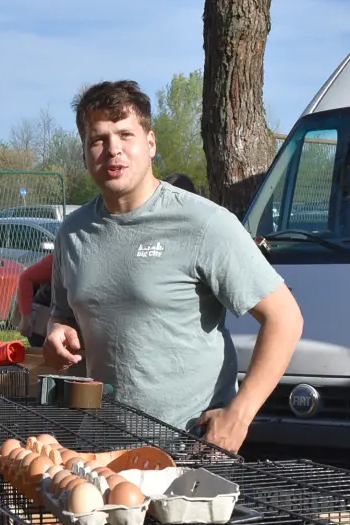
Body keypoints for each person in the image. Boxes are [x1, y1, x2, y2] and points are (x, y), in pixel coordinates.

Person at [43, 81, 304, 453]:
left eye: (125, 134)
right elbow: (63, 314)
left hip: (189, 449)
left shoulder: (204, 224)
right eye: (98, 140)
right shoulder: (73, 233)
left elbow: (285, 319)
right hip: (100, 449)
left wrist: (239, 415)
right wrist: (57, 332)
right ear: (85, 154)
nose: (113, 149)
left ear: (150, 143)